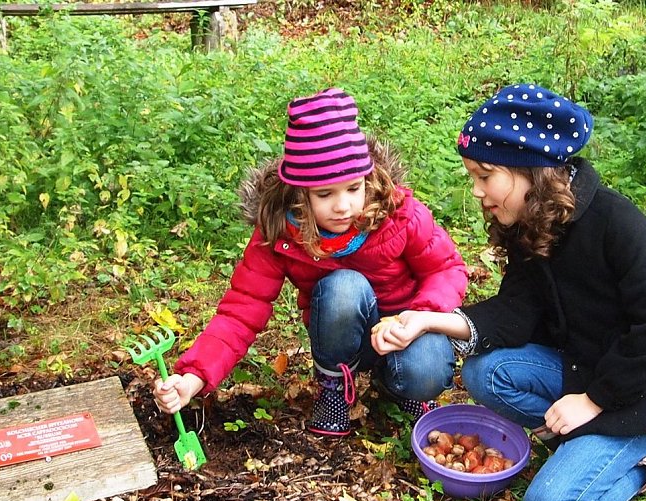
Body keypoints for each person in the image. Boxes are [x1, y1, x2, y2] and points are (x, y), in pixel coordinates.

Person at [371, 83, 646, 501]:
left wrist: (592, 402)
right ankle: (580, 444)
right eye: (473, 177)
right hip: (586, 367)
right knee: (485, 372)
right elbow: (516, 313)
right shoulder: (531, 222)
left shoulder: (621, 227)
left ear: (531, 171)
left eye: (485, 175)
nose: (477, 191)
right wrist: (426, 321)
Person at [154, 87, 468, 436]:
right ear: (300, 192)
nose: (343, 206)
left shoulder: (400, 213)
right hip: (343, 334)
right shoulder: (281, 231)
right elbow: (242, 309)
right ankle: (335, 385)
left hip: (406, 328)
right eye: (324, 194)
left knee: (426, 370)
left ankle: (397, 385)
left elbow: (446, 269)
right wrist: (194, 376)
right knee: (343, 286)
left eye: (353, 188)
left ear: (367, 179)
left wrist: (420, 316)